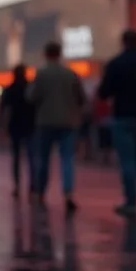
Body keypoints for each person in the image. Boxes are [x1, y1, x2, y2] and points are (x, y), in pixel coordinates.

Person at [98, 29, 136, 216]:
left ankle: (131, 202)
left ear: (123, 42)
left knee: (127, 161)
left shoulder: (116, 64)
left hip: (123, 117)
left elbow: (104, 92)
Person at [30, 41, 85, 212]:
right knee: (67, 158)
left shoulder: (41, 74)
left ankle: (41, 192)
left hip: (45, 121)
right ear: (60, 54)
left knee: (43, 159)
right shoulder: (70, 74)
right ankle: (68, 194)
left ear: (46, 54)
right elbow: (81, 98)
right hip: (68, 122)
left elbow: (31, 96)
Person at [1, 64, 36, 198]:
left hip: (15, 126)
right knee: (31, 157)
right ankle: (32, 185)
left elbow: (6, 110)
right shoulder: (30, 88)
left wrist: (5, 127)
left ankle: (17, 185)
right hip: (29, 126)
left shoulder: (10, 89)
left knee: (16, 158)